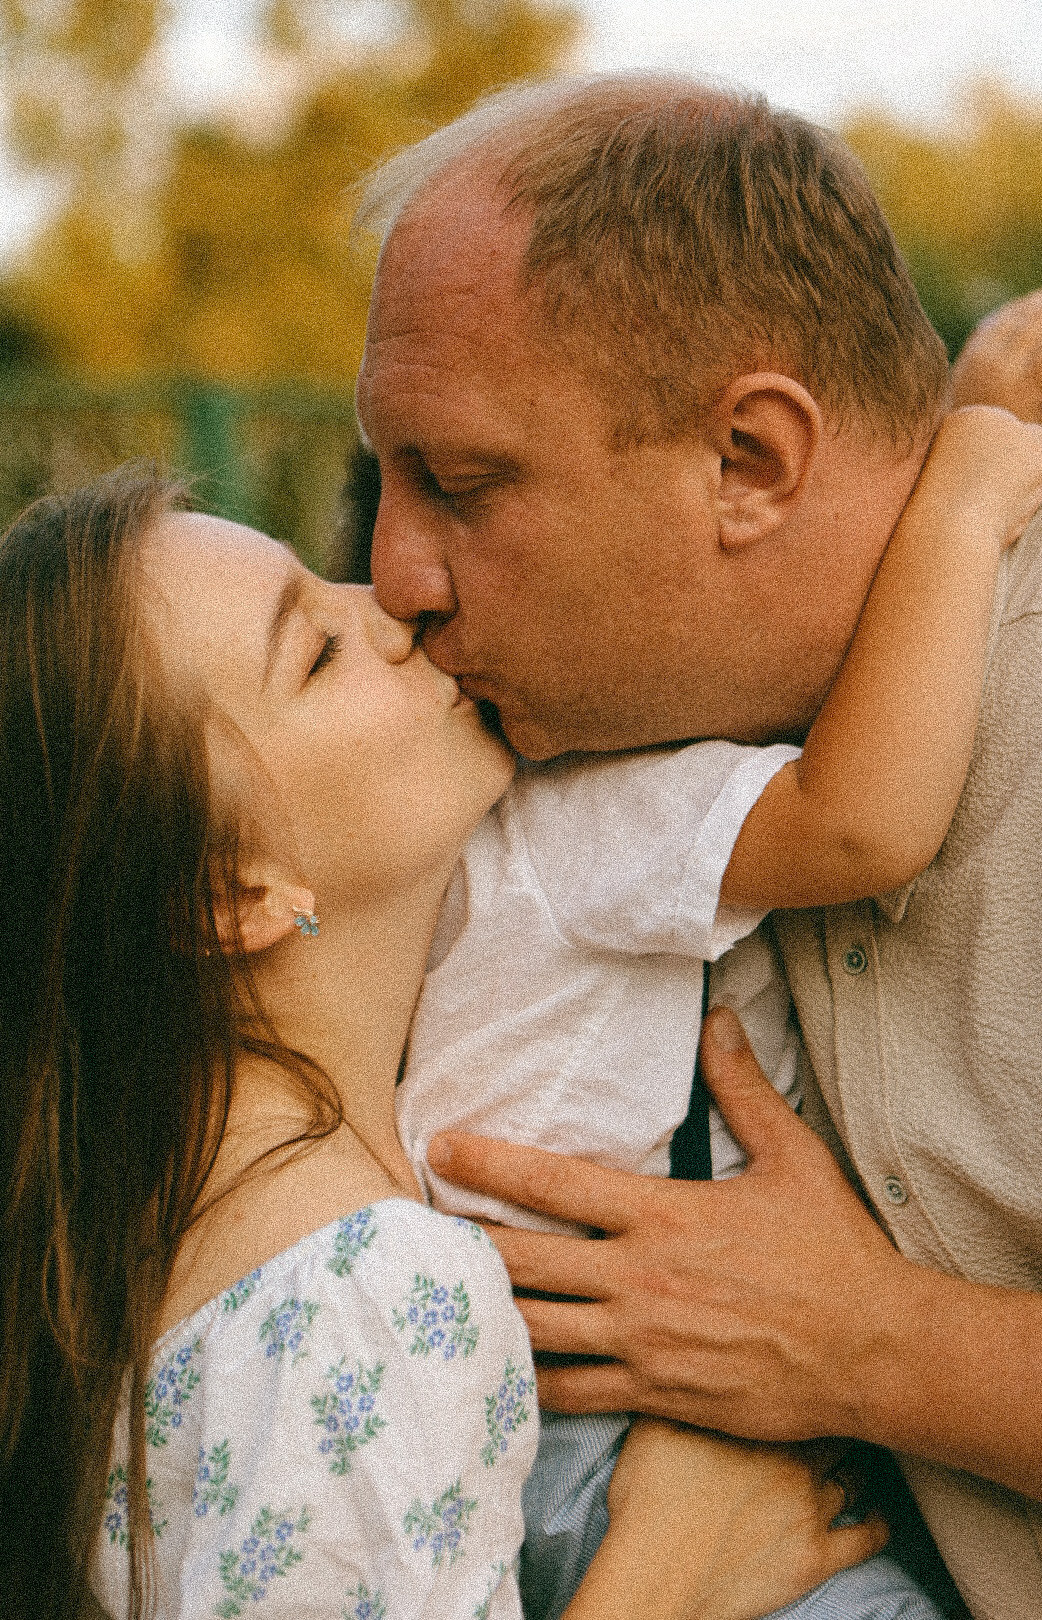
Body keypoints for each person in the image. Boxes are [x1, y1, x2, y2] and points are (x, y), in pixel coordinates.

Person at [353, 75, 1042, 1620]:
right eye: (386, 480)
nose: (393, 575)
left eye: (463, 486)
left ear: (749, 460)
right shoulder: (623, 760)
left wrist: (876, 1349)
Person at [0, 468, 886, 1620]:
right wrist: (670, 1571)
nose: (393, 604)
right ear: (229, 894)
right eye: (313, 653)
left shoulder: (131, 1250)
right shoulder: (359, 1291)